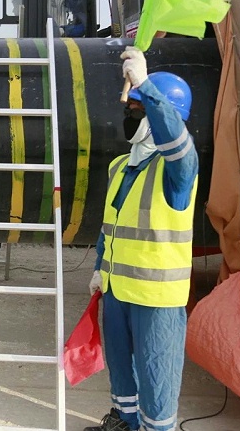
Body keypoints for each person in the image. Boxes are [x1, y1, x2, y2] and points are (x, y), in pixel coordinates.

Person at [85, 47, 198, 431]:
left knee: (156, 374)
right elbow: (111, 227)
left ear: (161, 115)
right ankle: (124, 421)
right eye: (130, 109)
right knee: (121, 368)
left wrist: (146, 85)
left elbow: (177, 144)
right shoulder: (121, 166)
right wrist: (100, 268)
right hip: (117, 290)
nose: (129, 117)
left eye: (138, 110)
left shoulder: (177, 172)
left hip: (156, 298)